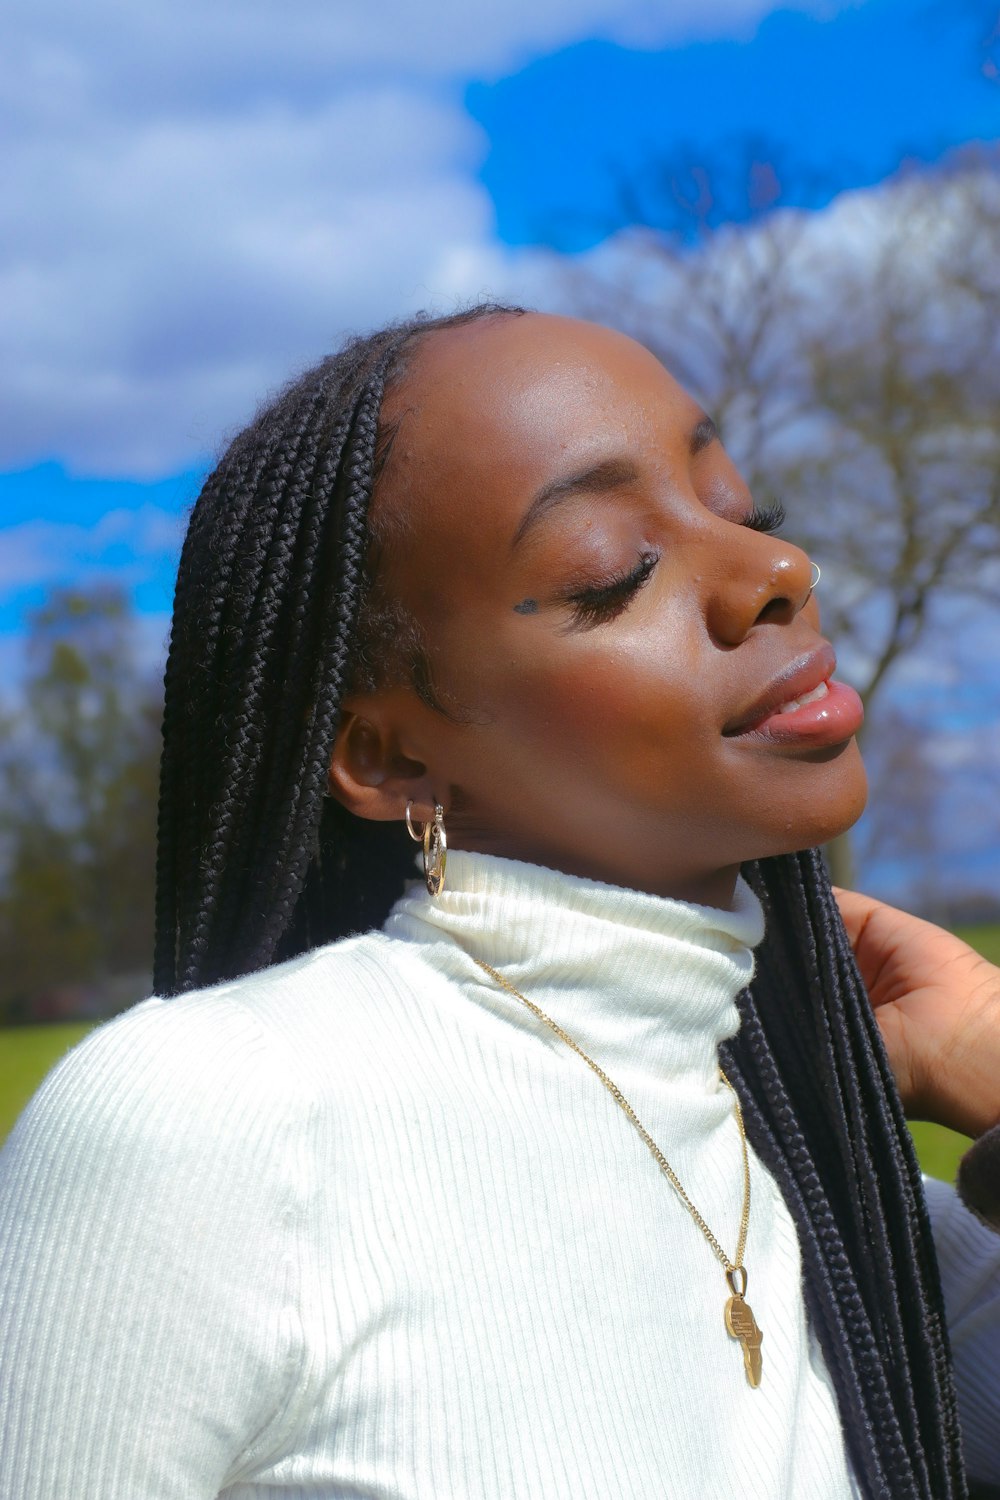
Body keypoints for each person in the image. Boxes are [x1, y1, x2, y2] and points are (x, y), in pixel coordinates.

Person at [1, 305, 998, 1500]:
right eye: (613, 572)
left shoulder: (835, 1186)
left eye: (744, 514)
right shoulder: (219, 1119)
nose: (778, 573)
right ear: (389, 755)